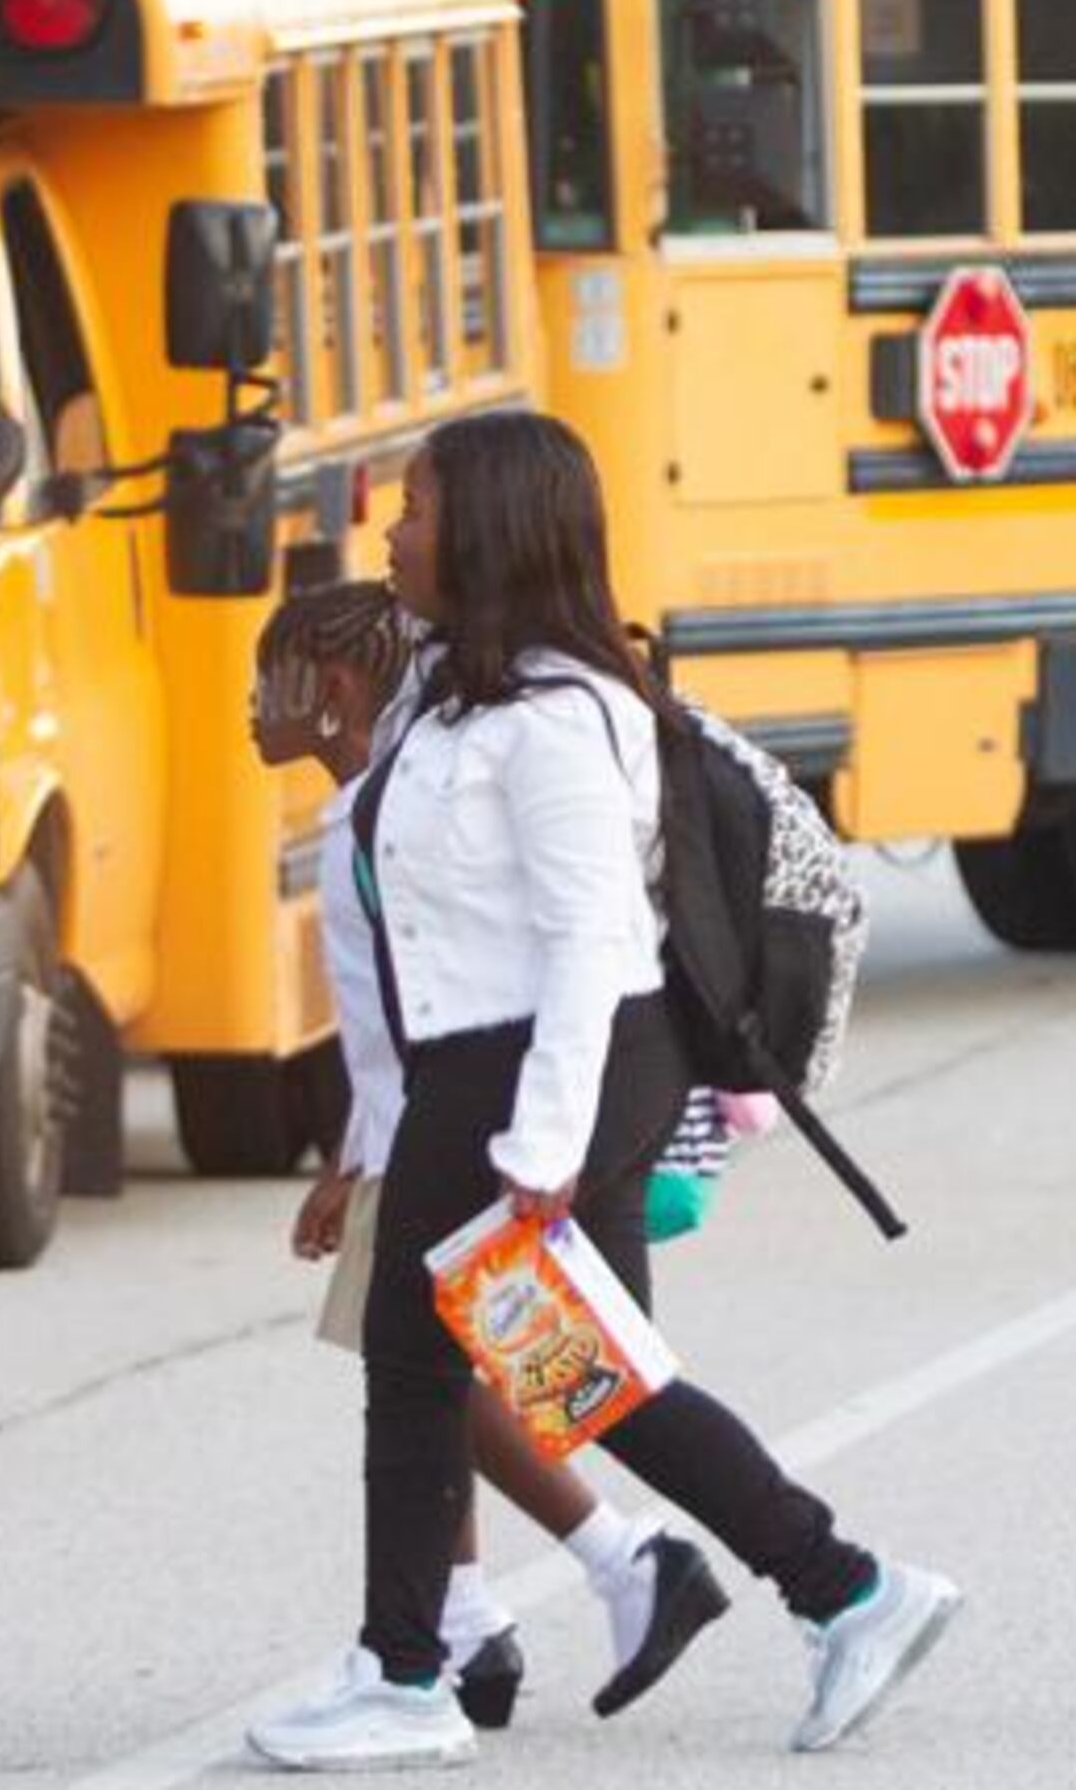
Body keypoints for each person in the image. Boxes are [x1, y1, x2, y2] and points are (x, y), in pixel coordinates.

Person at [246, 412, 960, 1772]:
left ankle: (411, 1676)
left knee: (443, 1366)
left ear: (491, 533)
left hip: (543, 1064)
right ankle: (838, 1591)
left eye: (416, 508)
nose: (391, 532)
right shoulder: (464, 699)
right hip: (489, 1061)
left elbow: (591, 936)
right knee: (574, 1377)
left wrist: (544, 1136)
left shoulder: (560, 719)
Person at [245, 582, 722, 1736]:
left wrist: (386, 1160)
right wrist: (354, 1158)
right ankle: (466, 1621)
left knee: (530, 1368)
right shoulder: (380, 804)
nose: (251, 709)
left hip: (454, 1129)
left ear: (332, 692)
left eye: (266, 683)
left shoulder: (383, 813)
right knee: (433, 1369)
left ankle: (667, 1561)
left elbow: (406, 1019)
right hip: (421, 1128)